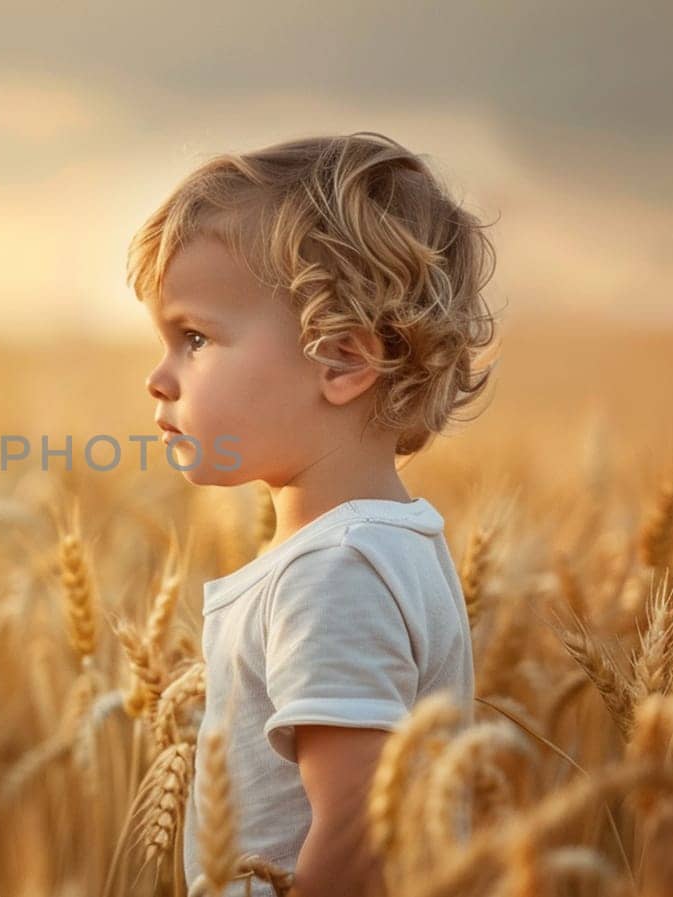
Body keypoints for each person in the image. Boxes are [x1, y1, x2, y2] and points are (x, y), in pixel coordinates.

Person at [129, 131, 500, 897]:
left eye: (194, 338)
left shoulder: (332, 570)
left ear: (341, 361)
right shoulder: (388, 541)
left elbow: (360, 833)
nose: (157, 378)